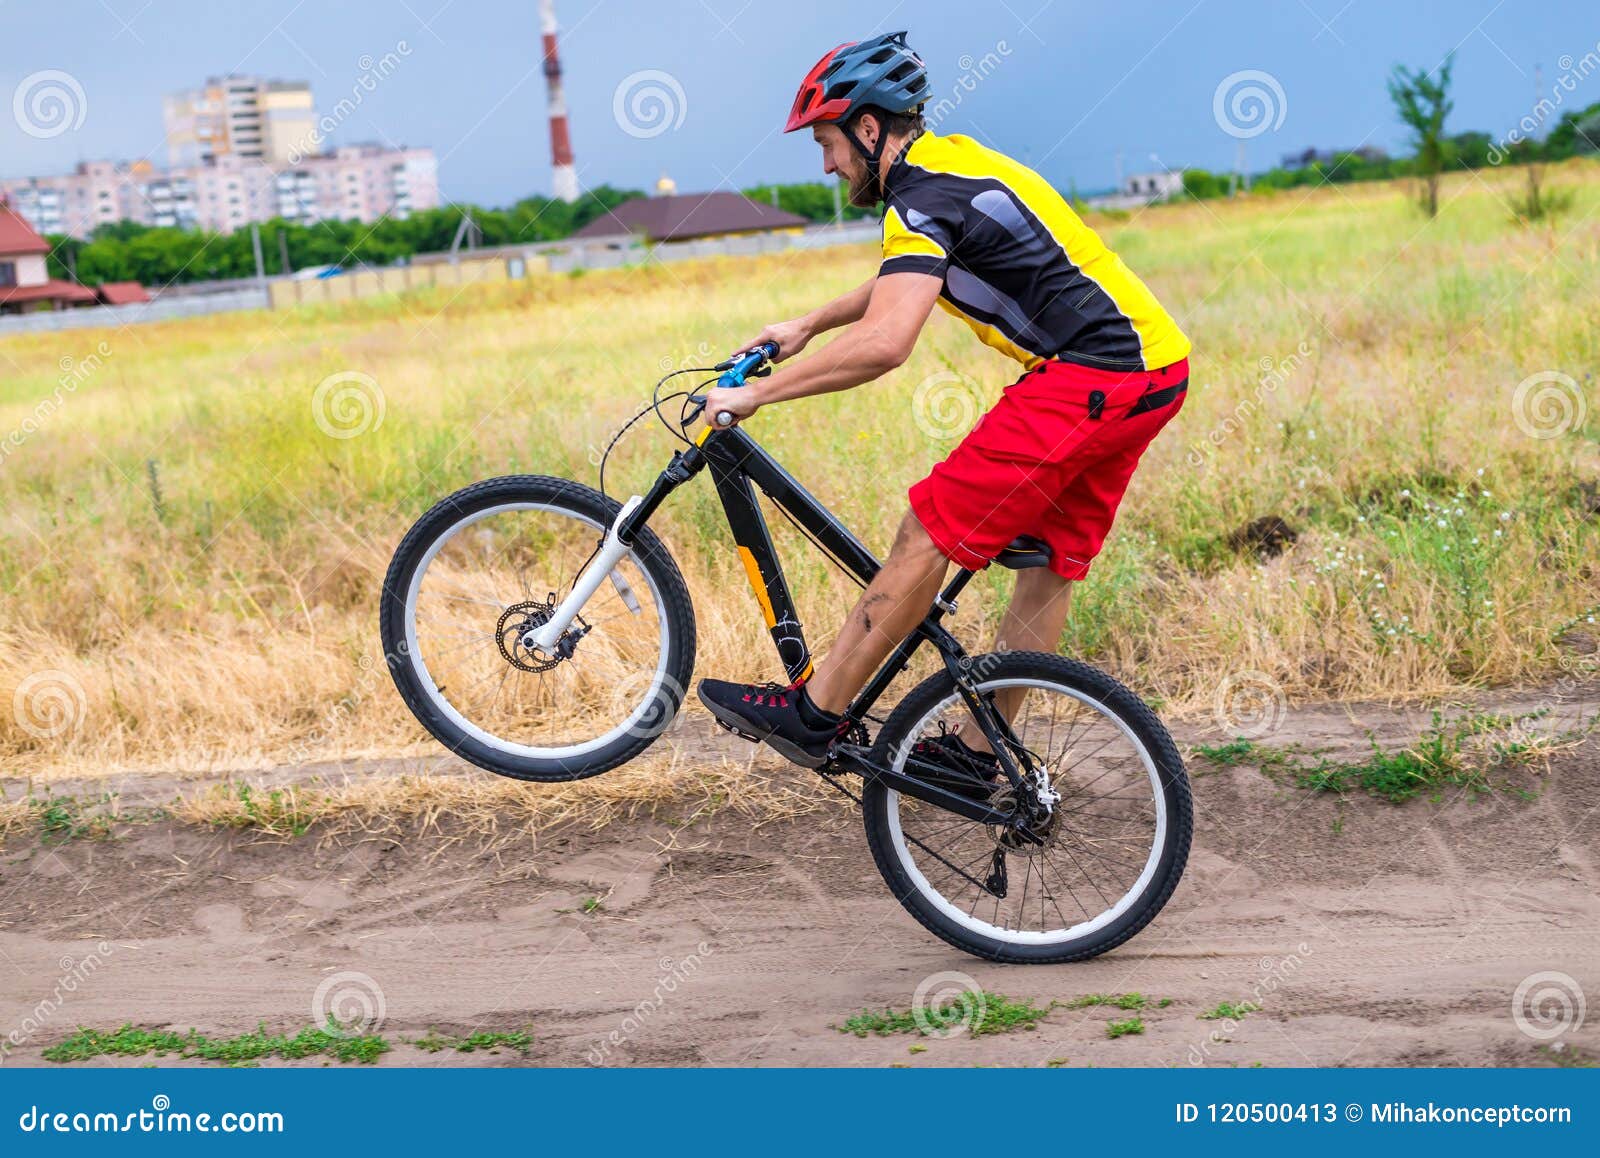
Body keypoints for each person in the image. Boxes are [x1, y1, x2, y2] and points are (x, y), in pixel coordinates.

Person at [696, 31, 1191, 781]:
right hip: (1154, 369)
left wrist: (756, 393)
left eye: (828, 144)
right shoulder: (952, 163)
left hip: (1092, 375)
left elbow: (887, 341)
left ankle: (814, 714)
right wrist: (807, 325)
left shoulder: (920, 199)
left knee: (927, 530)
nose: (828, 165)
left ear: (869, 129)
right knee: (1049, 564)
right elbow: (914, 270)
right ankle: (975, 755)